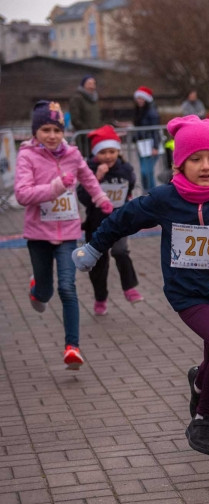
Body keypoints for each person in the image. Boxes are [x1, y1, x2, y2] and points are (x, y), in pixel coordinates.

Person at [73, 116, 209, 457]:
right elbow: (122, 219)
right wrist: (94, 248)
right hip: (188, 295)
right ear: (180, 164)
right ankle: (203, 420)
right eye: (196, 159)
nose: (206, 166)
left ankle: (199, 380)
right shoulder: (165, 198)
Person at [16, 101, 112, 370]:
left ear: (63, 131)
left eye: (57, 130)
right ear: (36, 132)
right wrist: (57, 187)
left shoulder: (72, 154)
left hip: (68, 231)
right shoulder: (27, 156)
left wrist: (100, 198)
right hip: (38, 234)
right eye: (45, 129)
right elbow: (23, 194)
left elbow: (89, 178)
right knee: (46, 292)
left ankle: (73, 347)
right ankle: (37, 288)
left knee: (67, 287)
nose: (51, 135)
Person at [77, 125, 143, 316]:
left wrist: (129, 199)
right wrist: (97, 177)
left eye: (112, 151)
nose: (108, 156)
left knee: (121, 251)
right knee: (98, 263)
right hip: (96, 223)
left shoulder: (126, 169)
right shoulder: (88, 169)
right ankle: (100, 298)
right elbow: (82, 196)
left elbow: (130, 185)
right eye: (103, 152)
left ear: (118, 151)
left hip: (120, 221)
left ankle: (129, 288)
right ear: (96, 153)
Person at [133, 86, 162, 190]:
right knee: (143, 172)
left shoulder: (152, 112)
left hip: (150, 144)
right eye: (138, 98)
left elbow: (155, 130)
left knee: (147, 172)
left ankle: (151, 193)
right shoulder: (139, 111)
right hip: (141, 144)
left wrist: (155, 146)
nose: (139, 100)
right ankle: (146, 194)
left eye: (141, 98)